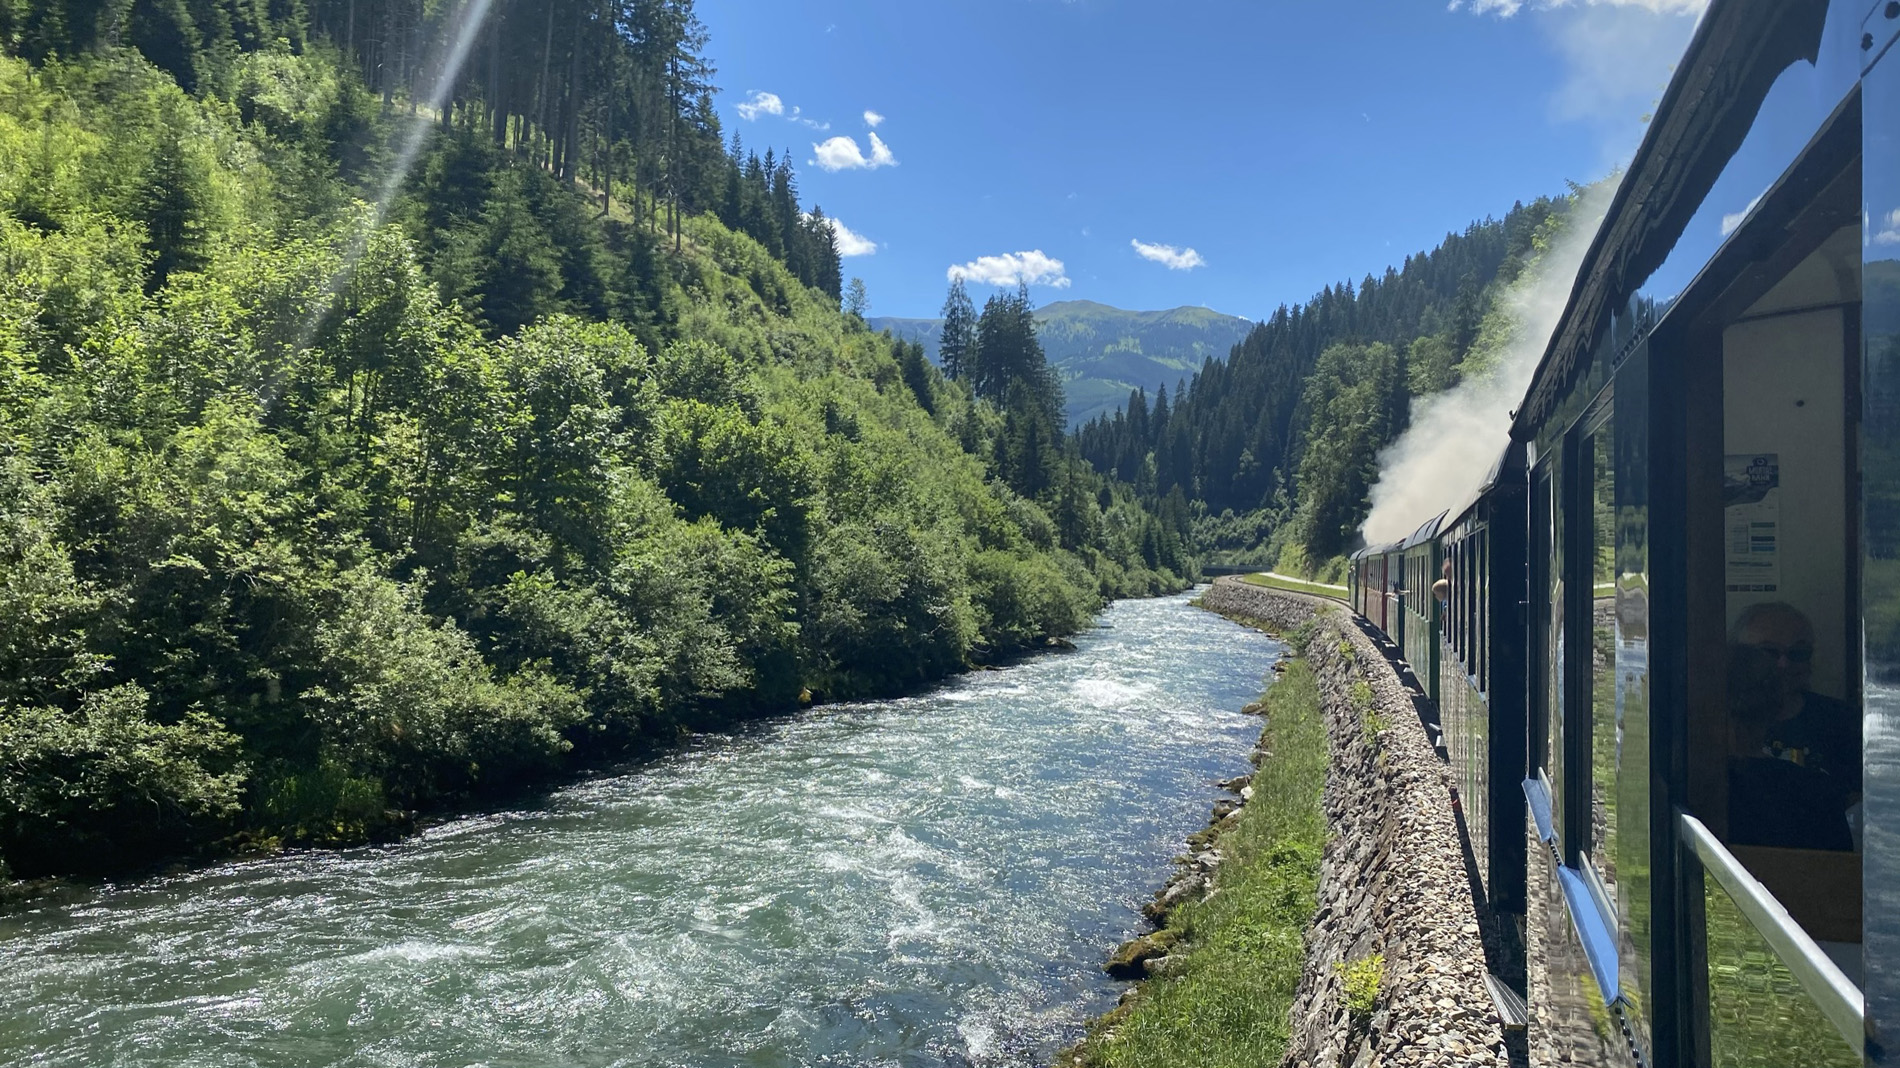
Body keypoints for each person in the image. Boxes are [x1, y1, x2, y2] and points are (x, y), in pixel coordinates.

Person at [1726, 602, 1860, 851]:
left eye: (1798, 653)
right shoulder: (1704, 727)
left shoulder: (1847, 722)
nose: (1783, 665)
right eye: (1768, 652)